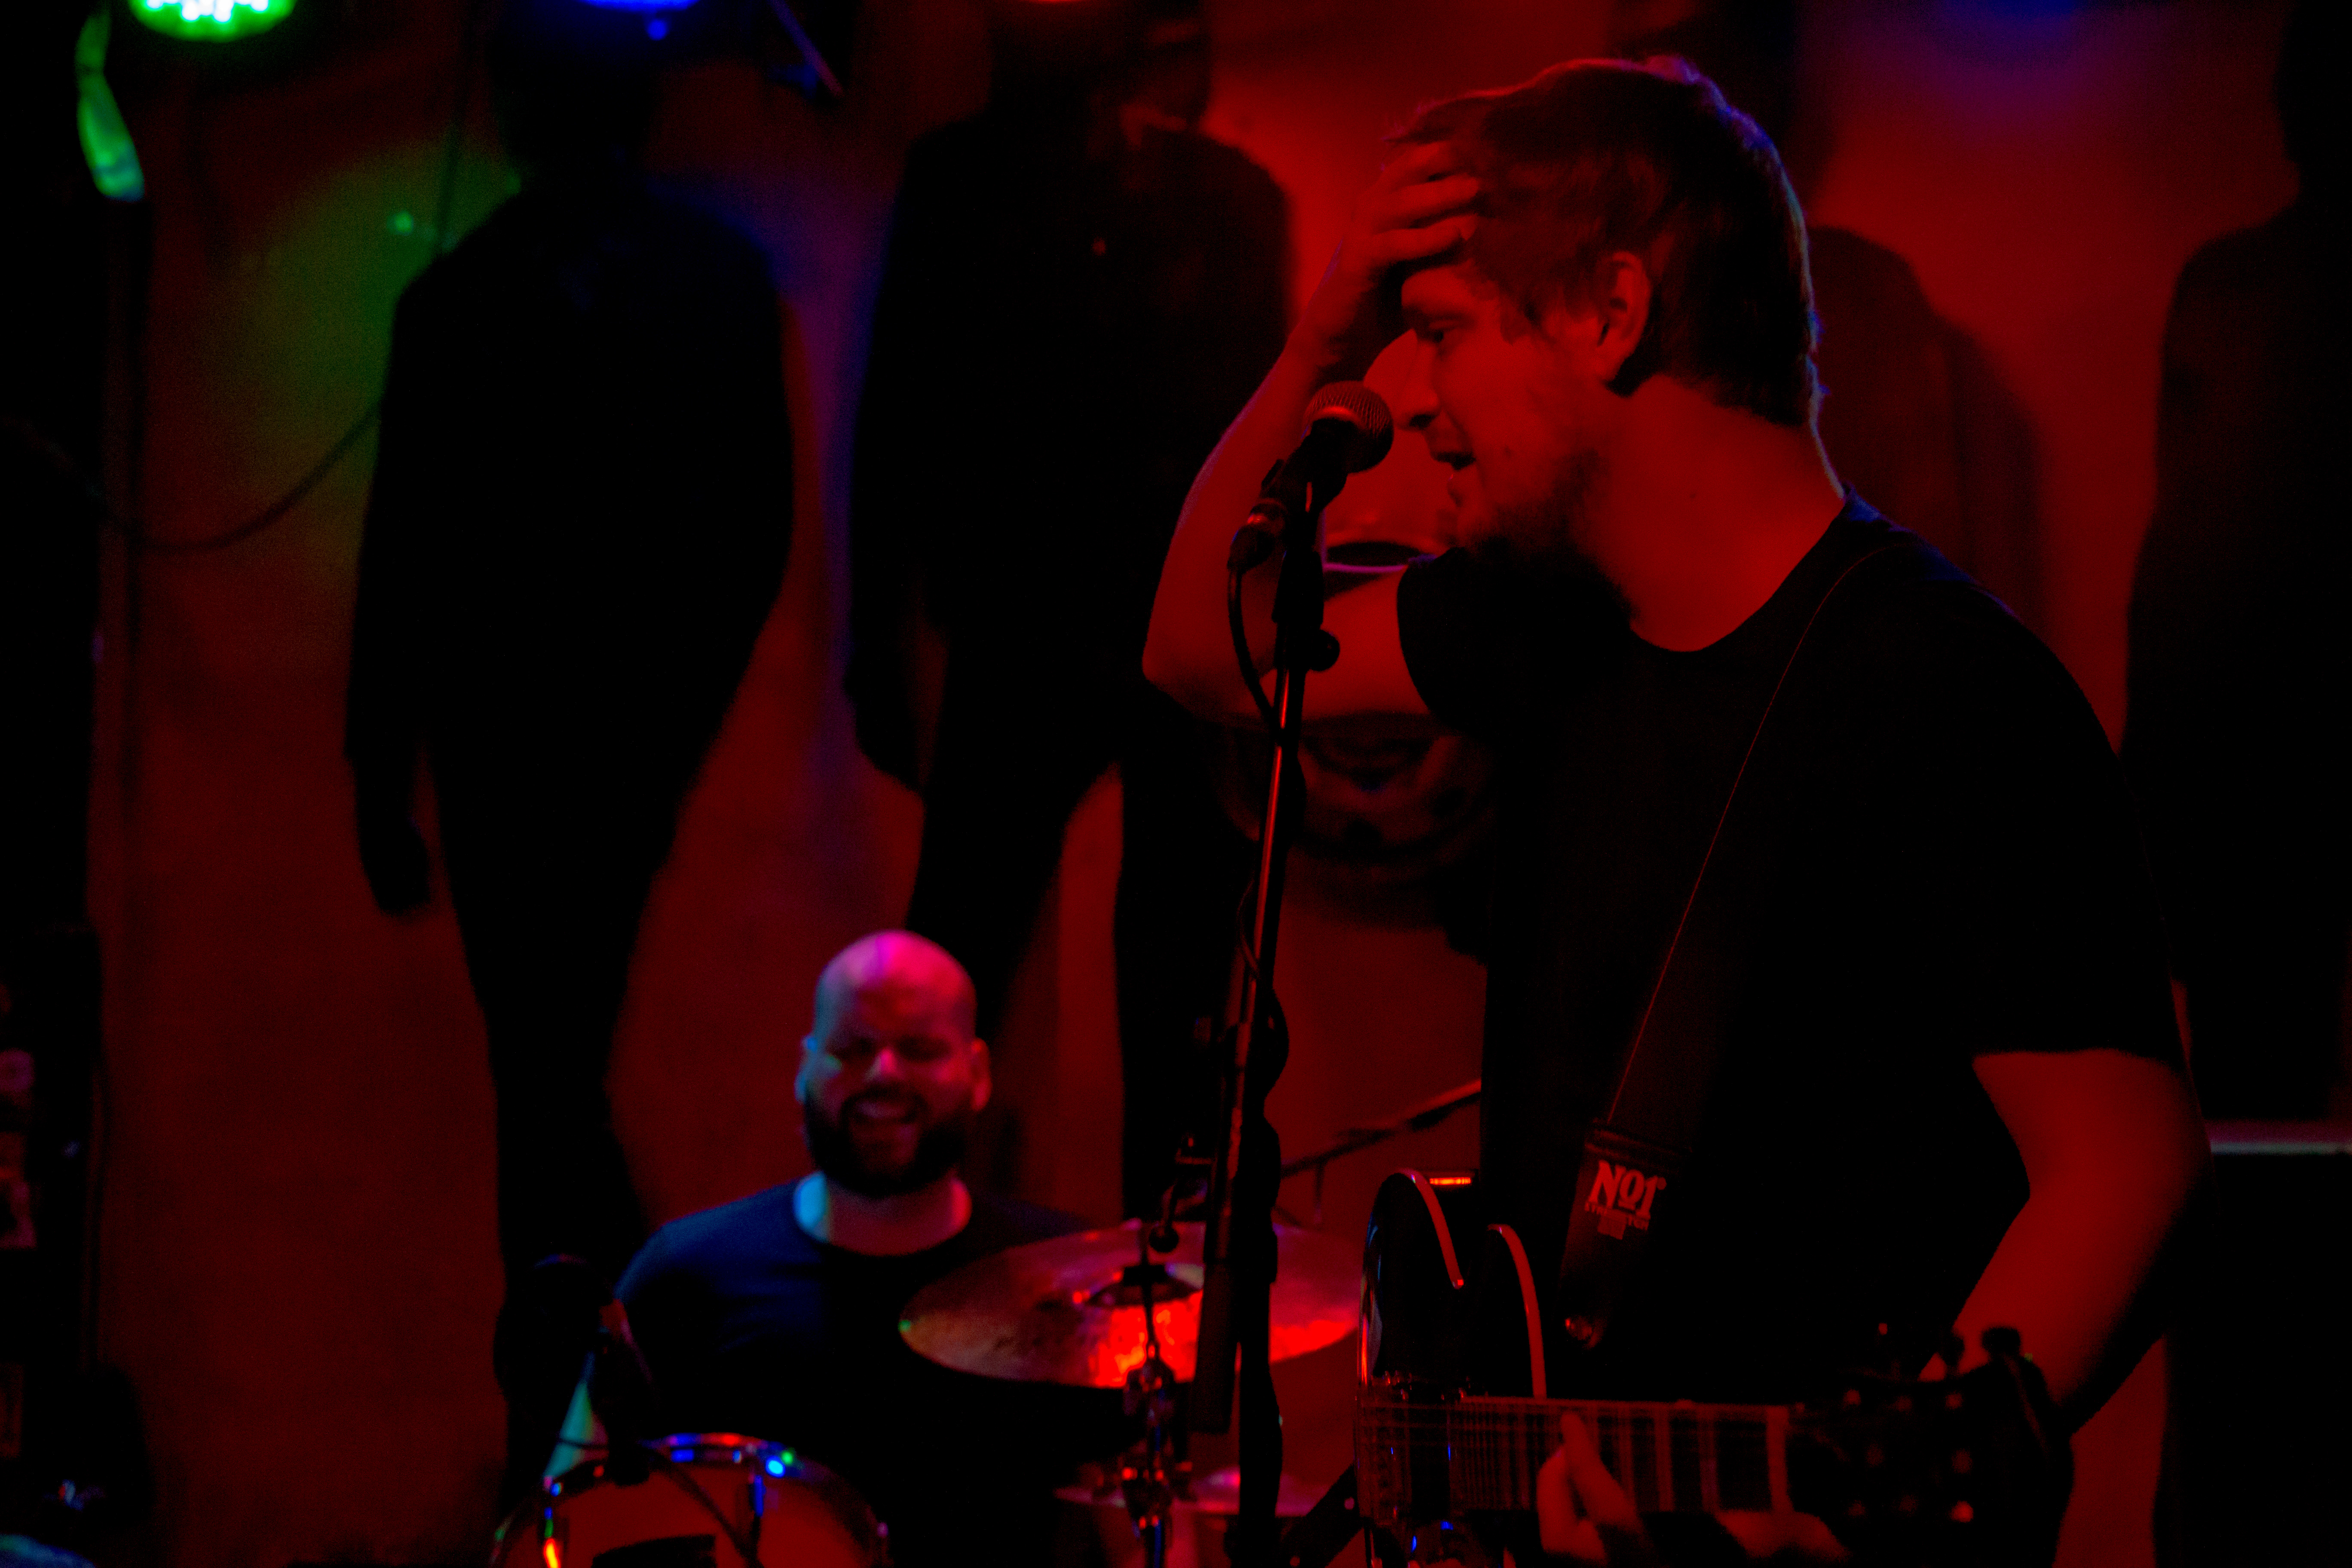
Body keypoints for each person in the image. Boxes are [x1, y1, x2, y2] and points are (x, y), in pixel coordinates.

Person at [1142, 58, 2208, 1563]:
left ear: (1610, 311)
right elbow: (1200, 648)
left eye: (1441, 333)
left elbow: (2128, 1164)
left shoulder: (1944, 690)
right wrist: (1327, 325)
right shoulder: (1539, 625)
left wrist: (1849, 1512)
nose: (1411, 400)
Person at [343, 0, 794, 1499]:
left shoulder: (459, 294)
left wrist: (379, 775)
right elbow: (750, 525)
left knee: (538, 1079)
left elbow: (403, 557)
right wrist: (673, 713)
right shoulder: (707, 275)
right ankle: (621, 1404)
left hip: (503, 738)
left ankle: (589, 1416)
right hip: (598, 733)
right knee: (546, 1077)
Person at [847, 0, 1287, 1208]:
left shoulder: (997, 180)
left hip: (1086, 617)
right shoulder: (1191, 195)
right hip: (1090, 616)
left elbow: (898, 410)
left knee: (1134, 973)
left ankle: (1129, 1252)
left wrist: (881, 634)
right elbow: (900, 410)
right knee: (1026, 953)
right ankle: (1131, 1251)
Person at [552, 932, 1125, 1568]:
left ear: (978, 1073)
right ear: (804, 1070)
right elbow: (569, 1521)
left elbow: (1146, 1535)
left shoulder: (1072, 1283)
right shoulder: (686, 1275)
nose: (883, 1074)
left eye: (919, 1049)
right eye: (852, 1050)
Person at [2123, 0, 2351, 1119]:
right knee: (2265, 1082)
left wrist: (2156, 788)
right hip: (2254, 765)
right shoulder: (2234, 293)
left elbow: (2186, 563)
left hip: (2250, 772)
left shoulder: (2233, 290)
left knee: (2262, 1090)